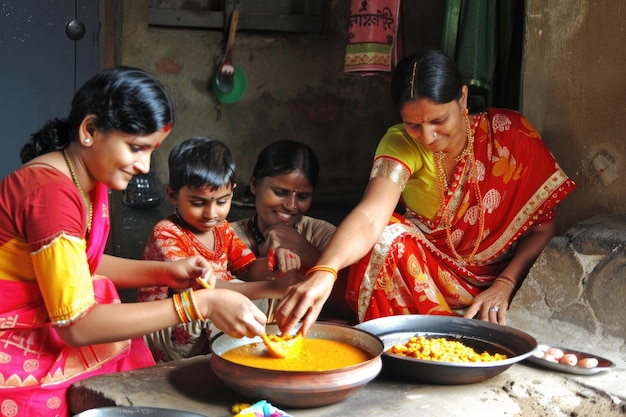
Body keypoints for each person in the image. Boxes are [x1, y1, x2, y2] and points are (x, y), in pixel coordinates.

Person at [0, 67, 266, 417]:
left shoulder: (87, 179)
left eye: (152, 150)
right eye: (136, 148)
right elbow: (76, 326)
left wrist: (168, 273)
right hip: (17, 333)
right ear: (90, 130)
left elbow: (83, 265)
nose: (144, 165)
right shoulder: (52, 195)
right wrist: (200, 304)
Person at [275, 49, 576, 335]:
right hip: (425, 274)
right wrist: (324, 271)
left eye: (438, 120)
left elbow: (542, 227)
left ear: (463, 97)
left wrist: (505, 284)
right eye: (413, 124)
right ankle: (410, 341)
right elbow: (371, 217)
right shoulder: (401, 143)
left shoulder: (511, 134)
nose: (428, 136)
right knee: (386, 236)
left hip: (493, 278)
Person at [137, 137, 301, 362]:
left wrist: (276, 262)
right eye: (198, 203)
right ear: (173, 195)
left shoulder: (221, 229)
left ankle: (243, 354)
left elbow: (249, 268)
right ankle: (234, 359)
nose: (211, 213)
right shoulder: (166, 233)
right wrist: (272, 287)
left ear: (232, 192)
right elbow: (203, 294)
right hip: (167, 326)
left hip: (207, 313)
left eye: (222, 201)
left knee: (249, 296)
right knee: (229, 298)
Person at [230, 140, 353, 322]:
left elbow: (352, 302)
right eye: (280, 192)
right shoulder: (226, 237)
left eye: (303, 196)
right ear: (254, 185)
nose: (291, 205)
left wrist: (304, 250)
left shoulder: (324, 234)